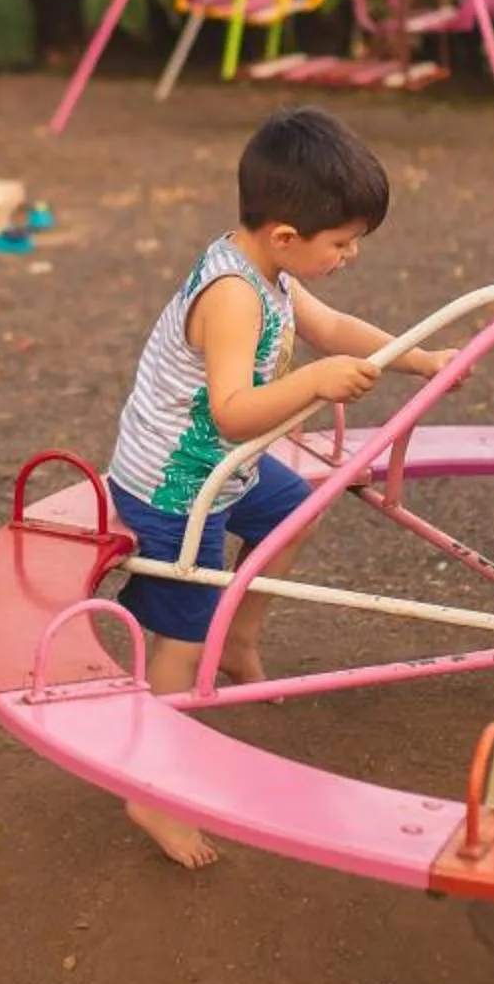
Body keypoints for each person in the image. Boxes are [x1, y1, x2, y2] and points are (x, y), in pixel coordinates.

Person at [103, 108, 455, 868]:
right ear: (288, 237)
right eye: (343, 242)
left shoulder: (270, 269)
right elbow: (231, 414)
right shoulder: (234, 296)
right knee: (179, 638)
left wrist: (419, 357)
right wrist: (312, 386)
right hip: (176, 489)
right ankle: (147, 787)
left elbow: (333, 328)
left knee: (296, 511)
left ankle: (243, 634)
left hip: (220, 471)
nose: (352, 254)